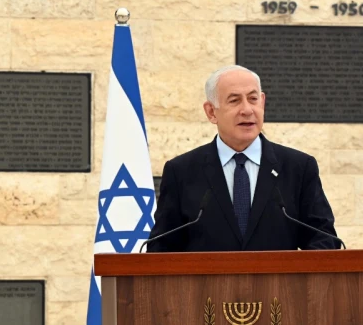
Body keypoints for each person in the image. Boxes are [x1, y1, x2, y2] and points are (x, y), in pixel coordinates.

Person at [146, 65, 341, 252]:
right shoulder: (181, 171)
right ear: (211, 112)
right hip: (208, 286)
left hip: (279, 286)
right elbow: (162, 248)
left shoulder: (298, 167)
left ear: (262, 102)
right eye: (234, 100)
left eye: (253, 99)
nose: (247, 110)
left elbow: (324, 239)